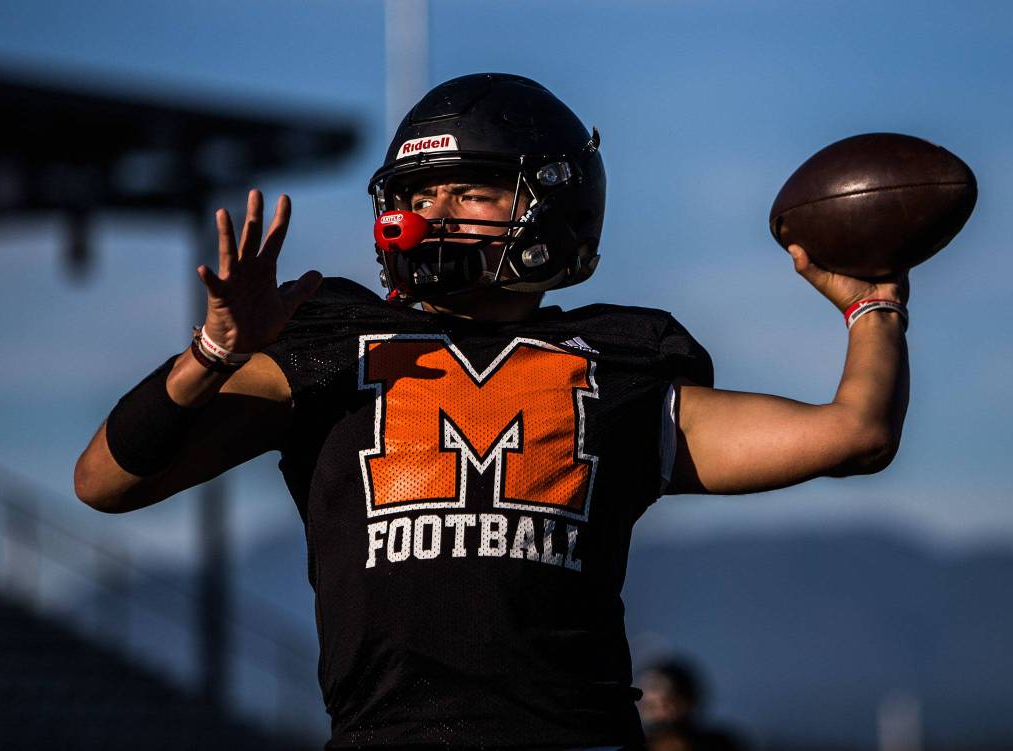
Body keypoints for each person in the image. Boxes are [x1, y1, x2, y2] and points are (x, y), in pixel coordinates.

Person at [74, 73, 909, 750]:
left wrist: (873, 305)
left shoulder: (614, 364)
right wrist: (211, 355)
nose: (422, 217)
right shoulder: (331, 349)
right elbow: (103, 481)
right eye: (415, 194)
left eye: (464, 191)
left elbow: (855, 432)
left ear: (549, 202)